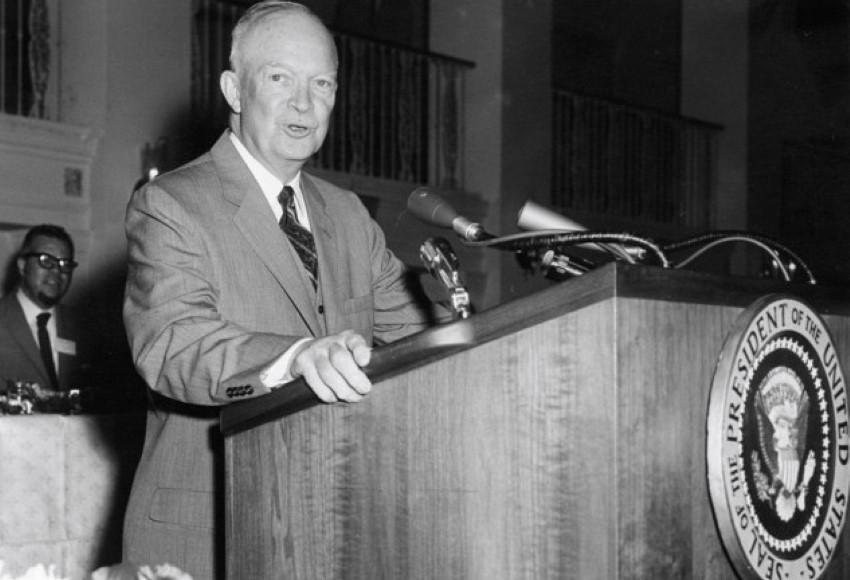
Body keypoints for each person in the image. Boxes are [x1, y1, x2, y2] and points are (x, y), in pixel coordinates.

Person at [122, 2, 439, 578]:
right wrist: (294, 359)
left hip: (332, 526)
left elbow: (419, 333)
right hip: (212, 533)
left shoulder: (346, 214)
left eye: (322, 83)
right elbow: (171, 344)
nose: (303, 103)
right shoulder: (171, 203)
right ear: (234, 90)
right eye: (279, 78)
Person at [0, 224, 86, 391]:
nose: (56, 271)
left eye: (65, 265)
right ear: (22, 265)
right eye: (46, 261)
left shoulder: (83, 327)